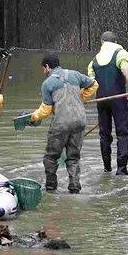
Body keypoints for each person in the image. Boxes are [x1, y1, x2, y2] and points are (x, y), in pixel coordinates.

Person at [27, 54, 97, 193]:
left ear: (47, 67)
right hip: (80, 122)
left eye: (43, 69)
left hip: (60, 124)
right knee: (73, 157)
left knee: (51, 157)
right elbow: (94, 84)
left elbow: (46, 110)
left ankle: (51, 187)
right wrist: (80, 97)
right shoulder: (75, 75)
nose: (43, 72)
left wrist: (33, 117)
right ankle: (74, 186)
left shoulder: (47, 84)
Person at [87, 30, 128, 174]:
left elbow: (91, 85)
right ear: (115, 42)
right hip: (118, 99)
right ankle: (121, 169)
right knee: (122, 133)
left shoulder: (93, 61)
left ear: (102, 43)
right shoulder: (121, 53)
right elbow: (125, 70)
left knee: (104, 135)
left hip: (101, 101)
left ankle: (107, 168)